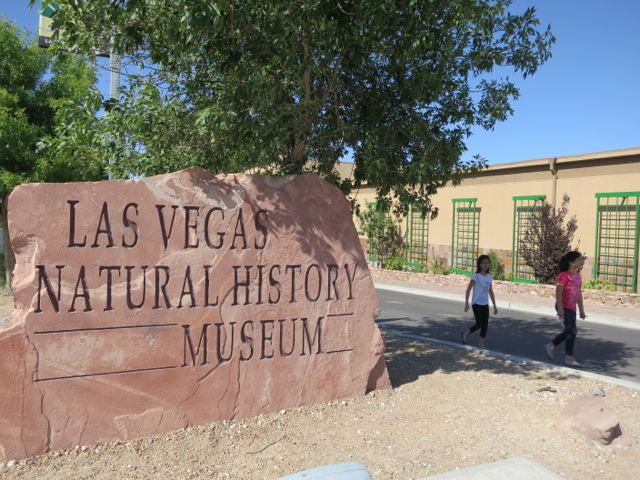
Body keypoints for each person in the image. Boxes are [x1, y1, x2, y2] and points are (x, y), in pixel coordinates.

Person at [545, 251, 586, 367]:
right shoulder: (563, 275)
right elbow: (558, 293)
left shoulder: (578, 276)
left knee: (570, 331)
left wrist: (582, 310)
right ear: (572, 263)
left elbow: (578, 294)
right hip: (563, 305)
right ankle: (568, 357)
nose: (580, 261)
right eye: (578, 259)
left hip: (572, 307)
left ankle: (551, 345)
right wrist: (560, 308)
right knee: (572, 331)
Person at [462, 255, 498, 348]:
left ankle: (481, 343)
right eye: (483, 263)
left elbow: (490, 291)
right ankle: (466, 334)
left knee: (485, 324)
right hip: (476, 303)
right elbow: (468, 290)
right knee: (479, 324)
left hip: (485, 303)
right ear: (479, 265)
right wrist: (466, 304)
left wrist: (494, 305)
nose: (486, 265)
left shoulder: (489, 276)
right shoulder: (476, 276)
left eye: (487, 263)